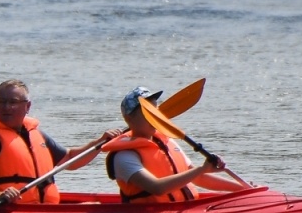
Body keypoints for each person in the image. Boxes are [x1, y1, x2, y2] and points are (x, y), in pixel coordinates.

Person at [0, 80, 117, 207]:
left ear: (27, 106)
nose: (6, 107)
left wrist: (100, 142)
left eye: (13, 102)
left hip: (40, 210)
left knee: (94, 205)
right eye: (1, 102)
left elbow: (70, 159)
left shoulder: (37, 136)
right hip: (2, 211)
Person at [104, 87, 248, 202]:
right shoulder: (124, 156)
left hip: (185, 208)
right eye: (147, 112)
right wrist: (201, 169)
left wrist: (243, 189)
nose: (154, 118)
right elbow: (157, 188)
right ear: (129, 118)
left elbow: (197, 177)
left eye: (156, 111)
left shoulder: (165, 142)